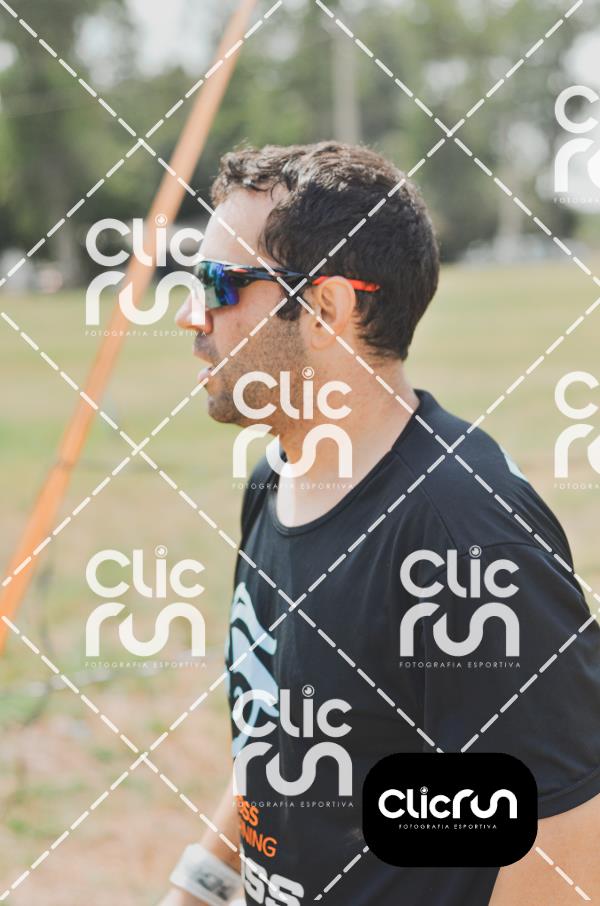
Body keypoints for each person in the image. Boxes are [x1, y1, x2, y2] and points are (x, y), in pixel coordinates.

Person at [160, 142, 600, 905]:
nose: (190, 315)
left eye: (220, 284)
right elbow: (279, 729)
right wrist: (199, 885)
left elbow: (569, 847)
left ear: (326, 309)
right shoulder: (275, 480)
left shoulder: (465, 537)